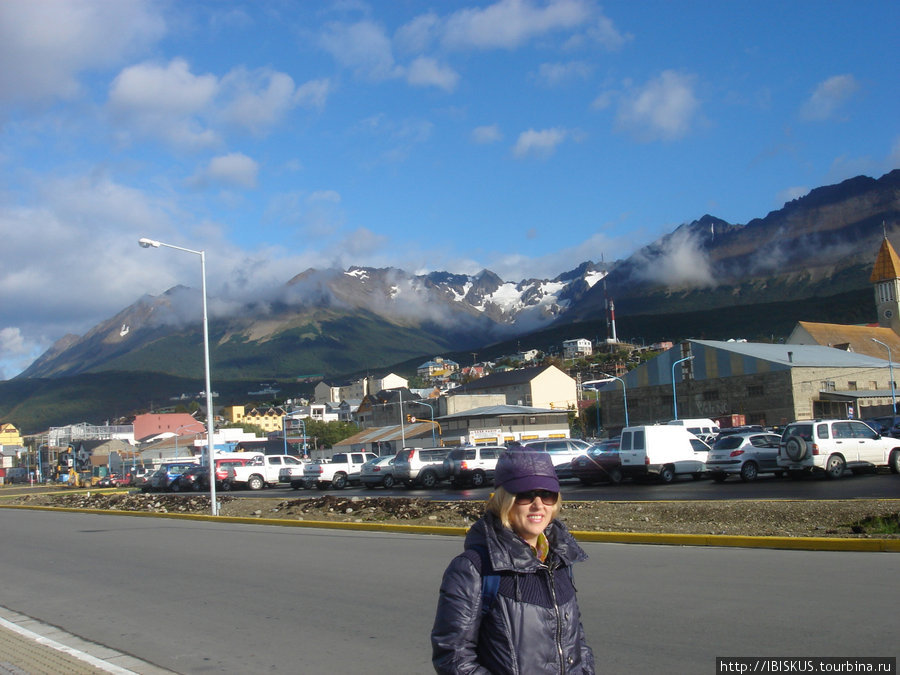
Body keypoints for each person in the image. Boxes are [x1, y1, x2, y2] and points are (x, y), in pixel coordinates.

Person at [431, 445, 595, 674]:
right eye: (525, 495)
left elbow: (576, 639)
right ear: (503, 500)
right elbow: (453, 655)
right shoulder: (474, 568)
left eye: (547, 494)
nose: (538, 504)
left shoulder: (558, 560)